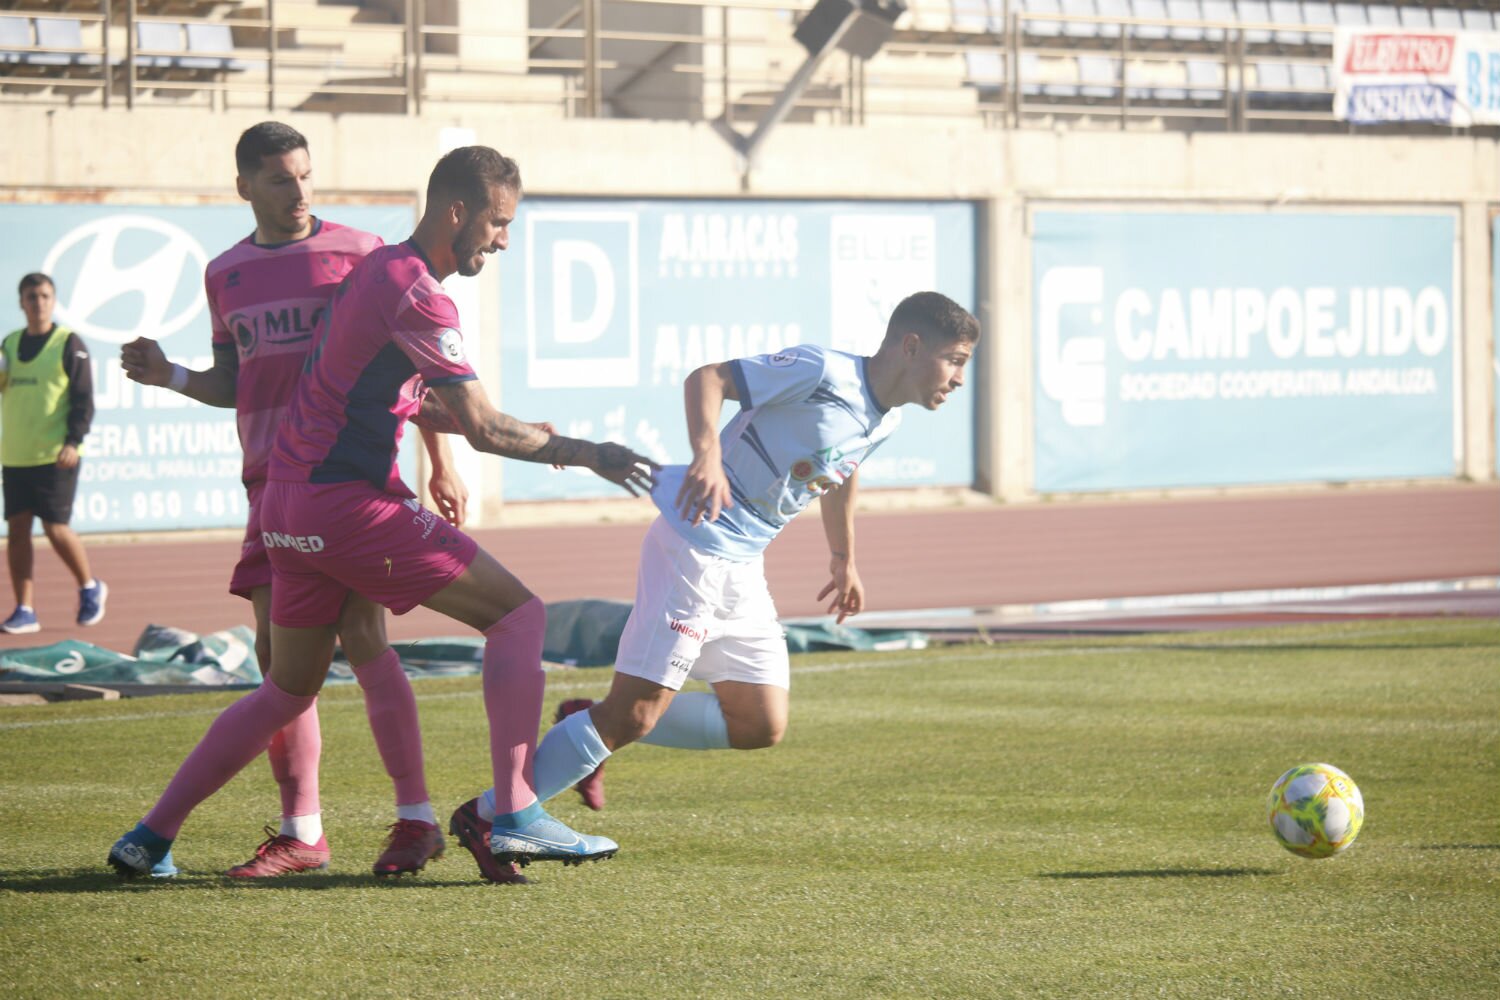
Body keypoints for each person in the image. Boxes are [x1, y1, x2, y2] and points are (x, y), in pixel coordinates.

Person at [109, 145, 657, 885]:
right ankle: (517, 814)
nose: (502, 240)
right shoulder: (418, 293)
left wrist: (503, 440)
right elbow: (487, 426)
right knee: (518, 617)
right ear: (456, 212)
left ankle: (150, 836)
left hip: (285, 506)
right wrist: (591, 452)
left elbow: (410, 399)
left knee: (286, 687)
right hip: (345, 503)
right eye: (497, 223)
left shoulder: (374, 270)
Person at [460, 291, 979, 838]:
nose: (959, 379)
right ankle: (493, 813)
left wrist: (843, 558)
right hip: (694, 546)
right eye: (956, 361)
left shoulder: (888, 421)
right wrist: (707, 453)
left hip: (743, 563)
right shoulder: (822, 370)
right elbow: (708, 379)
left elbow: (843, 473)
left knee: (760, 722)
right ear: (913, 346)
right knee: (635, 715)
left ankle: (589, 720)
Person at [117, 122, 469, 879]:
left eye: (306, 175)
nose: (299, 191)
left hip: (350, 477)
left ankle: (413, 816)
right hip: (269, 488)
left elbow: (417, 364)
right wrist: (170, 375)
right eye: (280, 178)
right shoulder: (225, 274)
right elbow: (234, 379)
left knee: (365, 637)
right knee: (282, 664)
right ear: (244, 186)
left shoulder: (364, 253)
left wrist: (438, 459)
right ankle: (302, 830)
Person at [0, 273, 107, 635]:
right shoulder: (9, 345)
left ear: (53, 300)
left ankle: (89, 586)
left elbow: (84, 399)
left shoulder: (68, 343)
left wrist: (72, 442)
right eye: (31, 296)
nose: (38, 302)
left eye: (45, 295)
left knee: (55, 529)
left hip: (56, 455)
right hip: (16, 455)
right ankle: (25, 609)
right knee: (16, 533)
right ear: (21, 302)